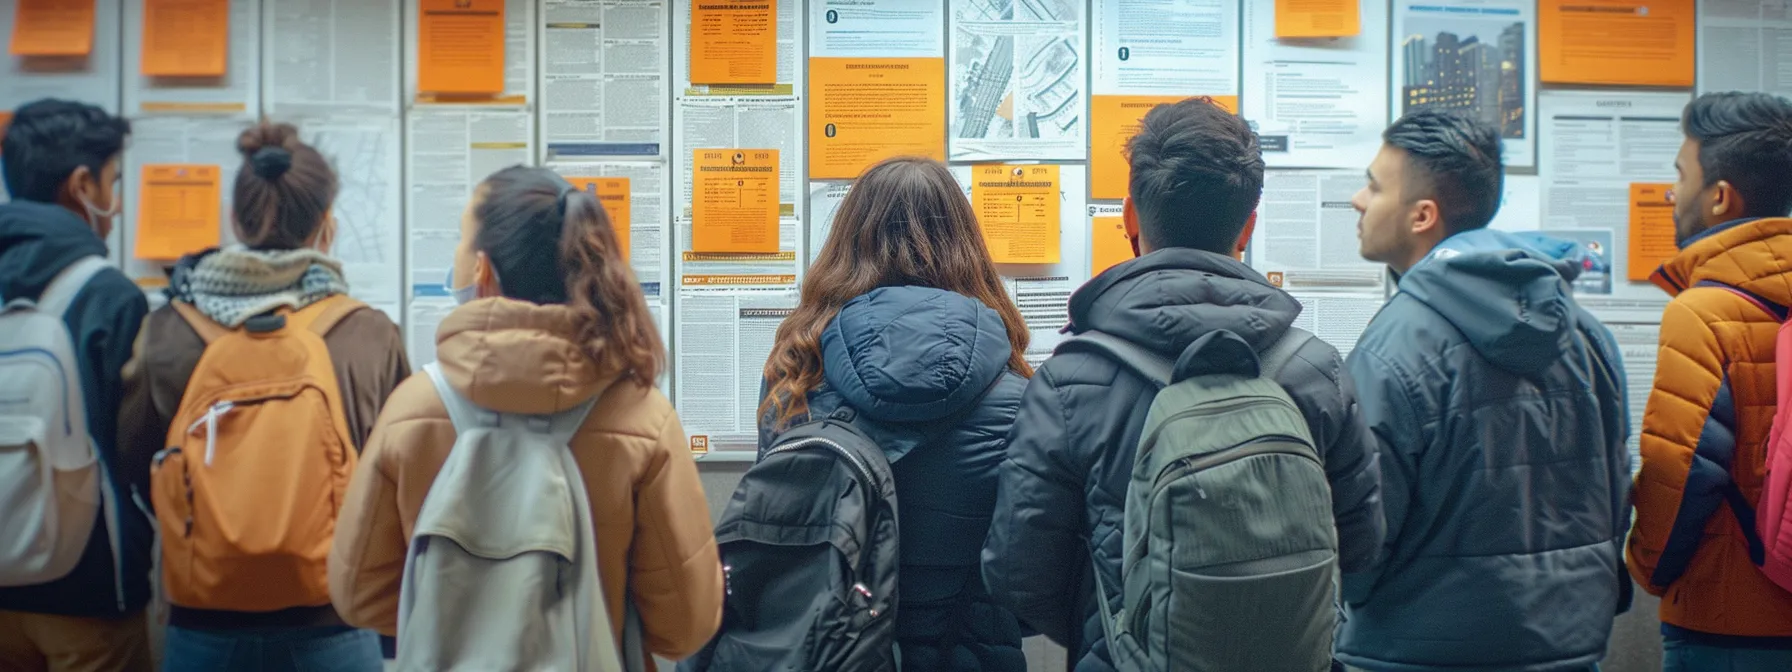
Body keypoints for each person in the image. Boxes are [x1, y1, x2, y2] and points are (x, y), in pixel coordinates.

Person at [981, 97, 1384, 671]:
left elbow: (1019, 574)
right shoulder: (1316, 368)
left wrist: (1114, 622)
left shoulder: (1070, 381)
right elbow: (1362, 548)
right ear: (1247, 226)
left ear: (1129, 220)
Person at [328, 165, 724, 663]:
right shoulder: (642, 420)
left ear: (483, 270)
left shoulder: (414, 409)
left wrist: (465, 621)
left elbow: (358, 594)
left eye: (461, 240)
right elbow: (685, 625)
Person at [1338, 109, 1630, 671]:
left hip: (1415, 649)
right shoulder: (1586, 331)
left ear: (1422, 215)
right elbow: (1615, 495)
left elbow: (1363, 533)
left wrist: (1360, 601)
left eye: (1374, 186)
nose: (1358, 199)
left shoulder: (1393, 347)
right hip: (1567, 648)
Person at [112, 122, 406, 671]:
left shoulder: (168, 332)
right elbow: (398, 477)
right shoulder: (369, 334)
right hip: (335, 619)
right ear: (327, 227)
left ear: (234, 221)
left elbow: (133, 463)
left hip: (206, 621)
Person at [756, 156, 1032, 671]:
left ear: (846, 245)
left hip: (834, 654)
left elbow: (779, 543)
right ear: (966, 248)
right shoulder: (1019, 395)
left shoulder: (793, 380)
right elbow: (1033, 577)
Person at [1627, 91, 1792, 670]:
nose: (1673, 193)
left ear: (1720, 197)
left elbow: (1684, 470)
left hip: (1727, 621)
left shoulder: (1704, 311)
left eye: (1681, 174)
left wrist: (1648, 570)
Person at [0, 99, 152, 672]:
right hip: (88, 591)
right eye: (112, 182)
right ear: (82, 184)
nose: (113, 206)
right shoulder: (108, 295)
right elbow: (135, 447)